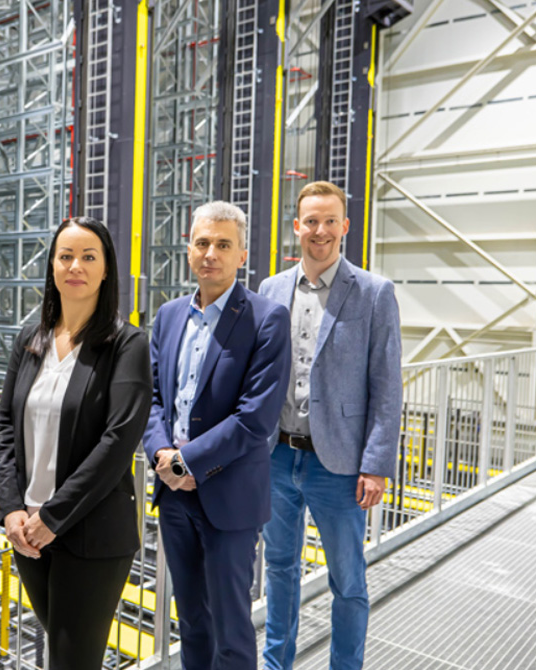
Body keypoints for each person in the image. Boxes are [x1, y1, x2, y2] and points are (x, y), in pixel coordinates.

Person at [0, 217, 153, 670]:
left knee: (71, 661)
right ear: (52, 267)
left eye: (89, 257)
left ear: (106, 271)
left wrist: (54, 515)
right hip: (29, 532)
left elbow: (118, 440)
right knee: (65, 655)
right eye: (65, 256)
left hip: (91, 535)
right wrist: (12, 508)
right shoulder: (31, 340)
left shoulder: (127, 344)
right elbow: (3, 423)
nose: (75, 266)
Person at [258, 181, 403, 670]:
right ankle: (277, 664)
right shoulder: (271, 289)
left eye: (329, 221)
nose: (320, 231)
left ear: (345, 225)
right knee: (279, 569)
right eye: (310, 221)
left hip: (337, 463)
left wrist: (376, 464)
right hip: (277, 456)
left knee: (348, 580)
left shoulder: (374, 293)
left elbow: (386, 385)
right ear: (296, 227)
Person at [142, 201, 291, 669]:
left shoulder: (266, 319)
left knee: (230, 628)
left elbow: (255, 419)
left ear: (241, 255)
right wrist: (163, 455)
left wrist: (187, 463)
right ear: (189, 249)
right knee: (191, 623)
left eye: (223, 245)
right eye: (202, 243)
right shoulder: (167, 316)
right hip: (175, 495)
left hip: (228, 496)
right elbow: (151, 400)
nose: (211, 253)